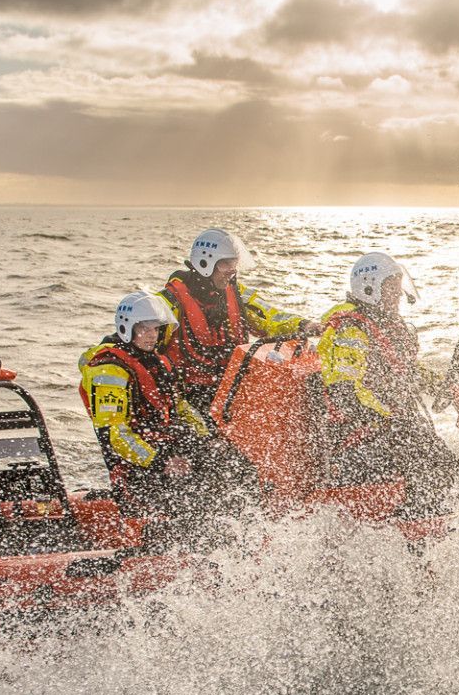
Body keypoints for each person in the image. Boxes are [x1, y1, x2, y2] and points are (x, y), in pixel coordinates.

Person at [316, 252, 459, 517]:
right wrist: (391, 418)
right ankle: (416, 527)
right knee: (426, 463)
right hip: (359, 439)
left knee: (444, 462)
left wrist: (445, 386)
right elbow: (345, 392)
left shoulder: (385, 325)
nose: (398, 295)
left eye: (399, 287)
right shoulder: (350, 331)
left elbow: (407, 371)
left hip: (391, 429)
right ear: (370, 287)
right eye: (392, 288)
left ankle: (436, 521)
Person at [78, 291, 213, 541]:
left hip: (163, 451)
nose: (152, 335)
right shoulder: (109, 371)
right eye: (145, 329)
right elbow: (115, 436)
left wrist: (206, 439)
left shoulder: (158, 362)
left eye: (157, 329)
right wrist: (162, 462)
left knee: (221, 465)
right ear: (128, 327)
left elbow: (180, 408)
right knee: (191, 494)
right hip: (136, 469)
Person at [159, 228, 325, 414]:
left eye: (234, 263)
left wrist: (303, 325)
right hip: (189, 395)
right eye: (226, 264)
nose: (232, 270)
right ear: (205, 262)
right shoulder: (170, 302)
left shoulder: (236, 293)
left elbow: (269, 316)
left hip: (231, 387)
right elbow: (143, 350)